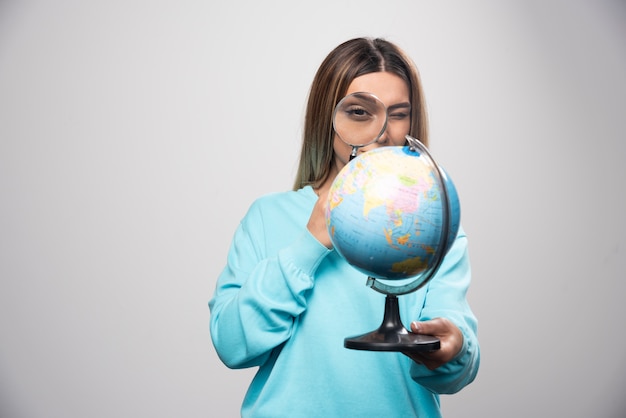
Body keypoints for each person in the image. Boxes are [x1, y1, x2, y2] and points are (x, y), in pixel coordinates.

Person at [209, 37, 480, 417]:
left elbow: (452, 372)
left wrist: (454, 348)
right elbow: (232, 344)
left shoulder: (435, 222)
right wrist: (310, 243)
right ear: (328, 118)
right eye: (359, 112)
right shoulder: (267, 217)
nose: (383, 131)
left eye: (399, 113)